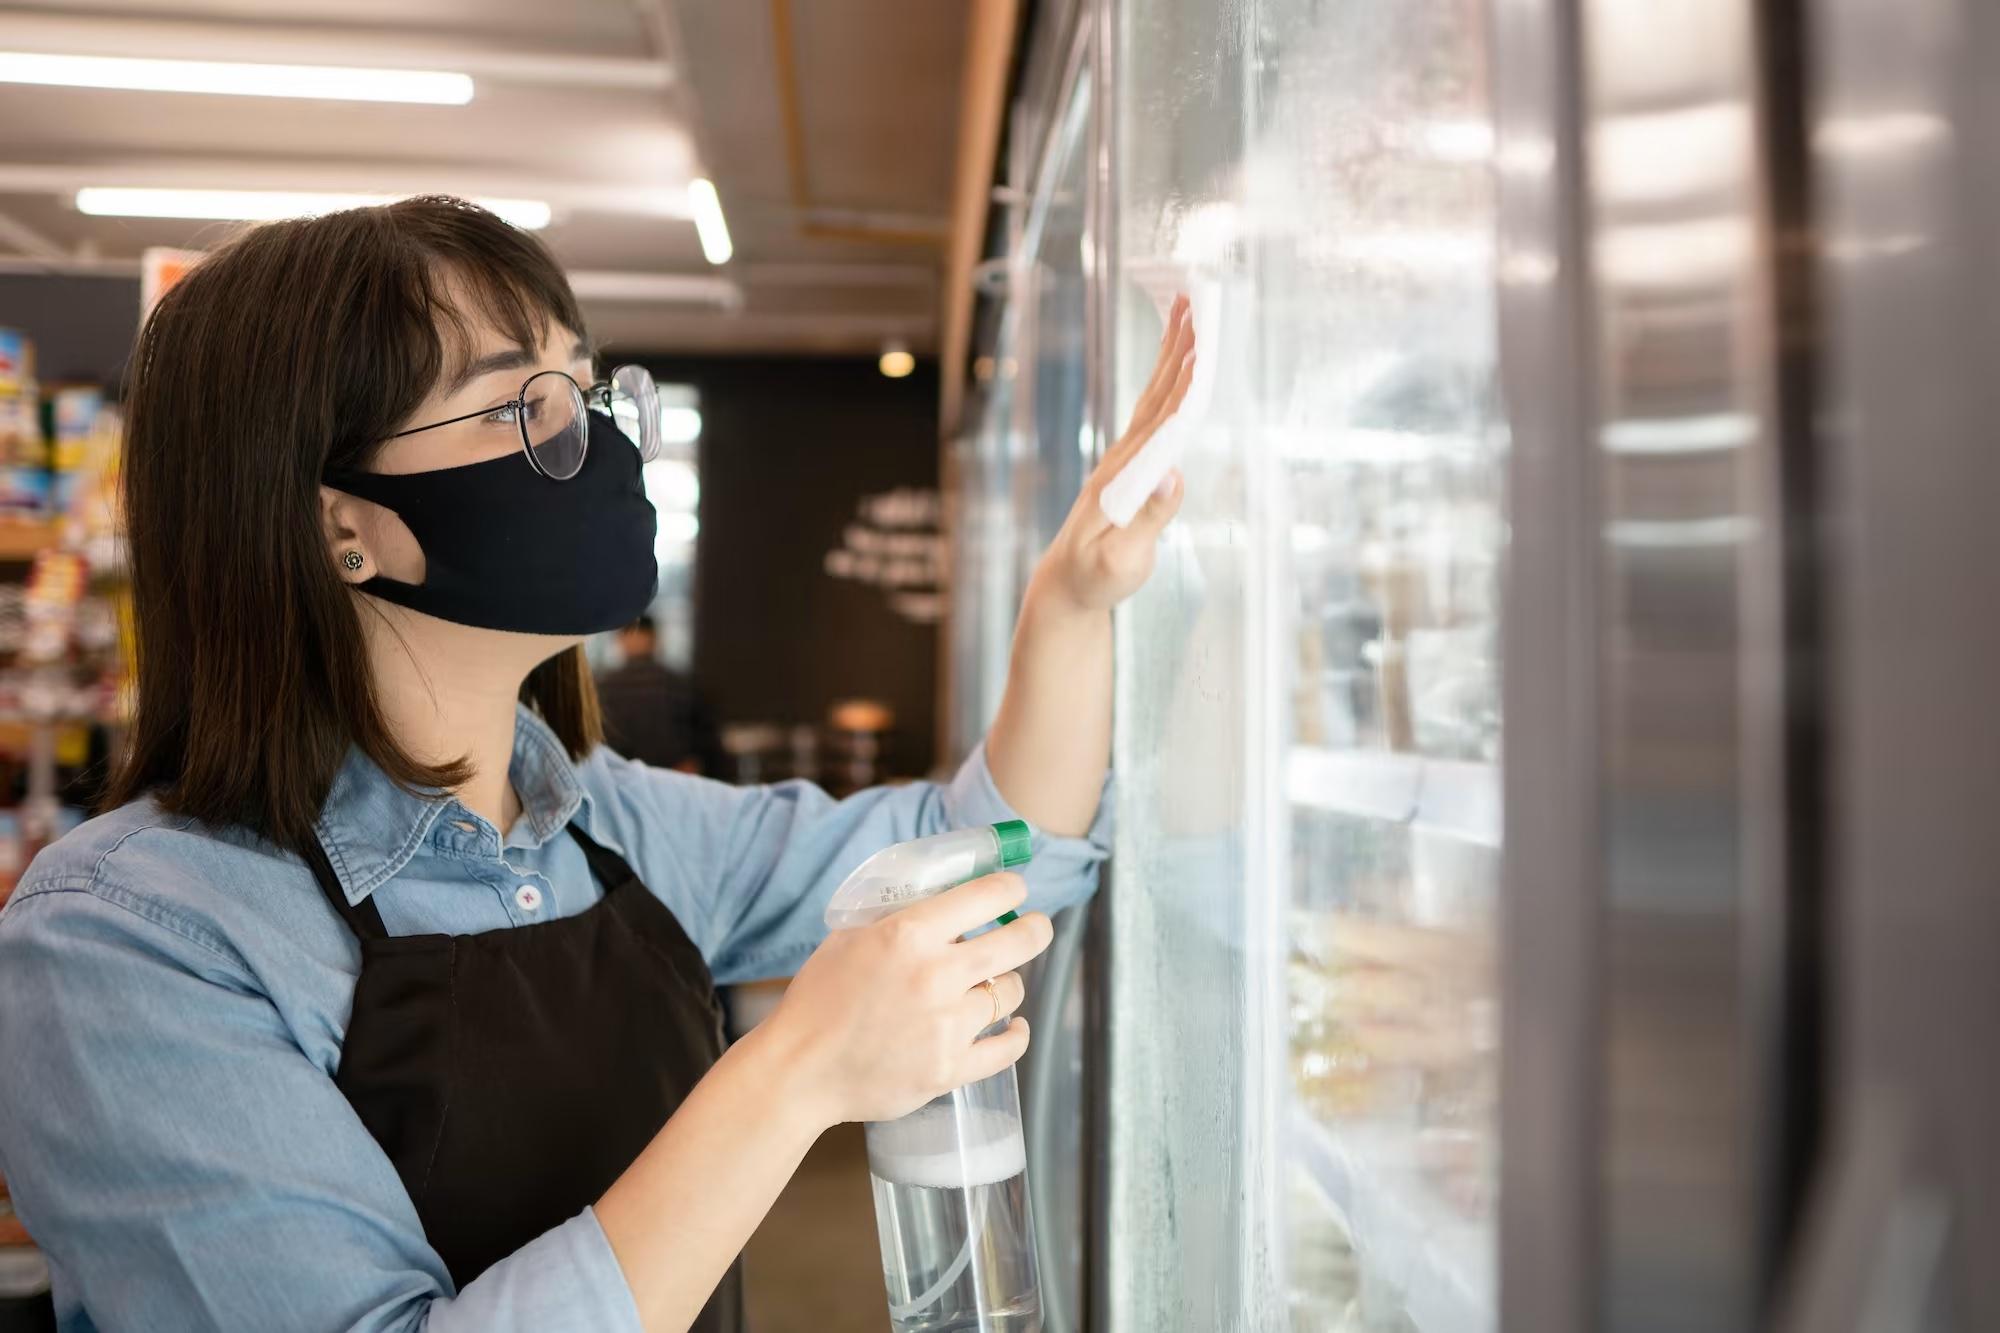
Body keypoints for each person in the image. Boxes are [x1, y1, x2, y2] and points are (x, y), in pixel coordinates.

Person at [0, 197, 1195, 1333]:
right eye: (521, 404)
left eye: (584, 388)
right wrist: (795, 1071)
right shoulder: (130, 936)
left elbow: (987, 853)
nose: (590, 438)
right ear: (339, 527)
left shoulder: (610, 824)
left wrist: (1074, 605)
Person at [594, 615, 724, 776]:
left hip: (622, 781)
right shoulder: (680, 683)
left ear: (620, 640)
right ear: (655, 638)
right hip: (675, 781)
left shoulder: (603, 687)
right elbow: (708, 741)